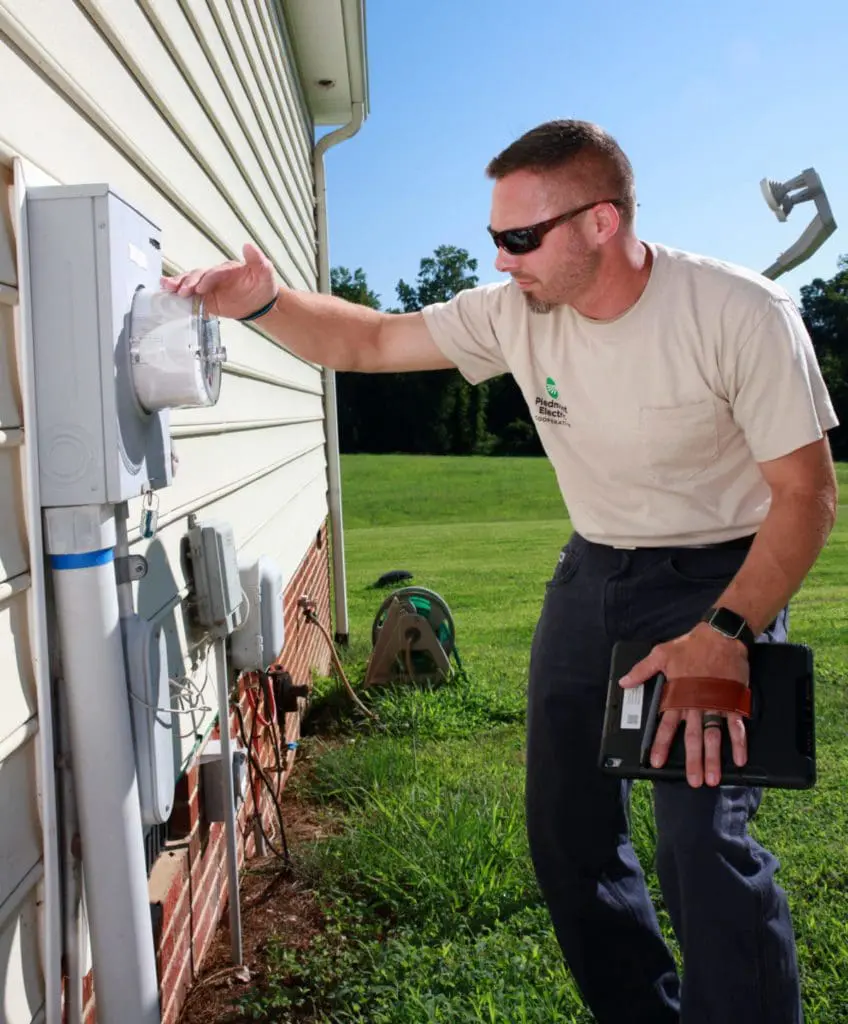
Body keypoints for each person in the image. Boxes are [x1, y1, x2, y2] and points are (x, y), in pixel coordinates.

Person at [162, 120, 838, 1024]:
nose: (502, 258)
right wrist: (261, 302)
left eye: (521, 238)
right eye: (495, 237)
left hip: (718, 579)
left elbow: (805, 497)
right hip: (591, 573)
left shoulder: (742, 312)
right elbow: (367, 341)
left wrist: (724, 636)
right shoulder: (513, 312)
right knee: (567, 835)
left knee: (699, 841)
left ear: (602, 222)